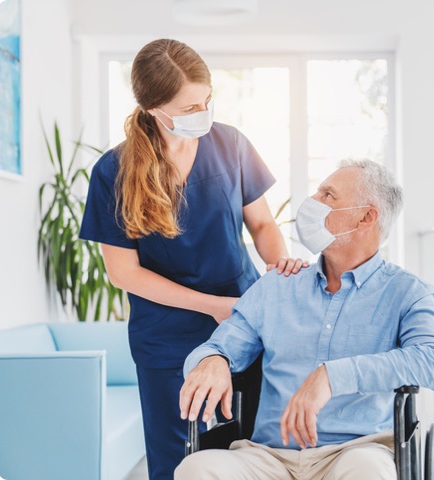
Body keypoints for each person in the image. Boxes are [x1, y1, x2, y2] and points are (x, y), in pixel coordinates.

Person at [79, 39, 307, 480]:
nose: (202, 114)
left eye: (206, 101)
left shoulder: (231, 144)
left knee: (251, 453)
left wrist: (280, 267)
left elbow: (262, 225)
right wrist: (212, 306)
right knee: (177, 462)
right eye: (187, 108)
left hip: (244, 324)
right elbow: (123, 272)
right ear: (151, 107)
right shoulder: (114, 171)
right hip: (168, 337)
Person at [175, 159, 434, 480]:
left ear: (366, 217)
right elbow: (223, 345)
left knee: (369, 471)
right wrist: (213, 359)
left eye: (328, 195)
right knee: (197, 468)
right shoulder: (278, 285)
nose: (313, 203)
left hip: (356, 451)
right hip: (269, 457)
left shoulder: (406, 292)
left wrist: (332, 376)